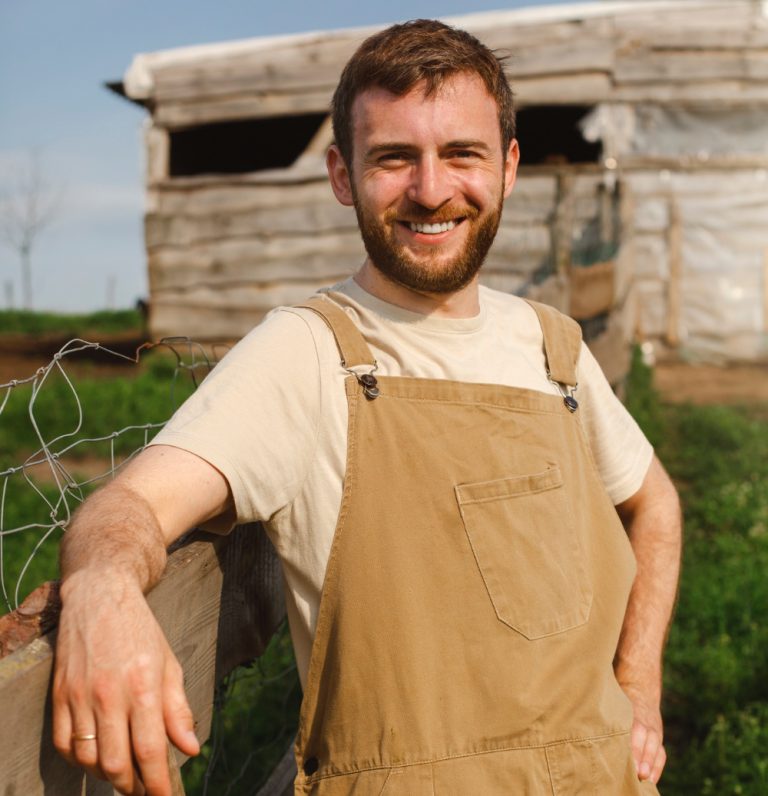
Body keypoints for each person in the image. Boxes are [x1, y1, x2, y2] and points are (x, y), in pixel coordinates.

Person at [53, 19, 681, 796]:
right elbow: (128, 508)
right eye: (394, 158)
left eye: (462, 154)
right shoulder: (307, 355)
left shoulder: (551, 346)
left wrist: (639, 681)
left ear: (508, 167)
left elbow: (654, 503)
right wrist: (101, 590)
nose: (431, 189)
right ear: (343, 175)